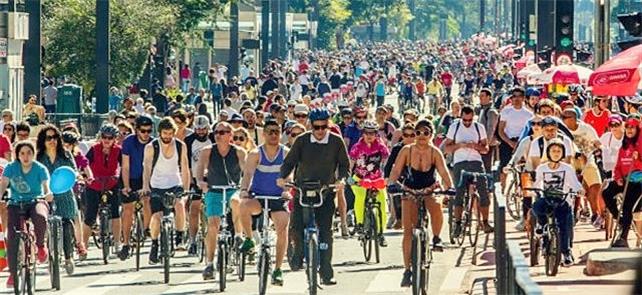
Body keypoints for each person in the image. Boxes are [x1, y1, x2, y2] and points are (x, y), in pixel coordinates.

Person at [278, 108, 349, 285]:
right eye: (316, 127)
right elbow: (289, 162)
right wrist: (282, 177)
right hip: (303, 189)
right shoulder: (302, 141)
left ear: (328, 124)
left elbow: (344, 165)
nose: (319, 131)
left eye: (323, 127)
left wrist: (341, 180)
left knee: (325, 231)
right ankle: (299, 253)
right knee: (296, 225)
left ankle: (326, 271)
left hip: (325, 191)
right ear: (310, 125)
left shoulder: (336, 141)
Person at [388, 119, 453, 287]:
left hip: (429, 188)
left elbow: (443, 171)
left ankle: (437, 238)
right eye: (418, 133)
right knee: (408, 232)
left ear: (431, 135)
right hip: (409, 190)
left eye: (426, 133)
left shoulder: (435, 152)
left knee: (436, 205)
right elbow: (396, 169)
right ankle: (407, 269)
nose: (421, 136)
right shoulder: (406, 150)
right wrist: (391, 184)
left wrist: (450, 187)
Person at [238, 119, 291, 286]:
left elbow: (290, 175)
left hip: (278, 198)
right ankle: (249, 239)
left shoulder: (286, 153)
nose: (274, 135)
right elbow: (247, 175)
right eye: (270, 132)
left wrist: (286, 189)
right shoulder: (255, 153)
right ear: (264, 134)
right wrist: (244, 190)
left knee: (282, 228)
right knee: (243, 206)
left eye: (277, 131)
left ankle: (277, 269)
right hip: (259, 196)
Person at [195, 121, 246, 280]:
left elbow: (247, 172)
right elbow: (200, 170)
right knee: (212, 225)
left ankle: (238, 234)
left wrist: (246, 188)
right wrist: (200, 182)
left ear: (230, 135)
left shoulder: (239, 152)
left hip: (233, 189)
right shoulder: (207, 151)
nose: (218, 135)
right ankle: (209, 264)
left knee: (237, 202)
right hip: (214, 190)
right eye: (216, 132)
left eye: (222, 132)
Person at [0, 141, 53, 288]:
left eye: (29, 153)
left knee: (40, 217)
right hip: (16, 202)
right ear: (17, 155)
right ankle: (13, 273)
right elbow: (3, 184)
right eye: (22, 153)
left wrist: (48, 193)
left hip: (36, 200)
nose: (25, 156)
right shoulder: (11, 168)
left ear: (33, 154)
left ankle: (41, 246)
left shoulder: (40, 168)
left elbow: (45, 186)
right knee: (12, 236)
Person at [141, 117, 190, 264]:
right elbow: (147, 168)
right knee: (156, 216)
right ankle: (155, 244)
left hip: (175, 183)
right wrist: (145, 186)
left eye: (170, 133)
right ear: (160, 133)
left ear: (174, 133)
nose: (167, 136)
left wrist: (186, 190)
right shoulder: (151, 147)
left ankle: (180, 236)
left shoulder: (181, 146)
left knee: (180, 205)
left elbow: (185, 168)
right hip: (157, 185)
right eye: (164, 133)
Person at [531, 139, 582, 266]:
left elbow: (575, 184)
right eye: (553, 151)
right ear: (548, 152)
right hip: (547, 198)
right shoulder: (541, 168)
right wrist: (532, 189)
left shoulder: (568, 168)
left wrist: (579, 190)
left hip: (562, 200)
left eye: (559, 151)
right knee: (537, 206)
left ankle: (566, 253)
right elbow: (536, 183)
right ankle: (542, 227)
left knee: (564, 226)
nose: (556, 153)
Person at [36, 125, 78, 274]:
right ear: (43, 140)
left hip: (65, 194)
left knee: (66, 223)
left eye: (54, 137)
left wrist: (78, 178)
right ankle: (48, 252)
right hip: (46, 196)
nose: (52, 141)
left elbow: (73, 171)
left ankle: (68, 257)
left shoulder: (65, 155)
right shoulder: (39, 158)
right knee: (44, 223)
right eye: (48, 138)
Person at [444, 105, 493, 234]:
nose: (467, 123)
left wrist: (475, 146)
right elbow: (447, 148)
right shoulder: (454, 127)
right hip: (460, 162)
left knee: (484, 190)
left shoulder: (479, 127)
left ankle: (486, 222)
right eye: (464, 120)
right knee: (459, 192)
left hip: (476, 161)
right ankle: (458, 223)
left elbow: (486, 148)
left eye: (469, 120)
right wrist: (459, 145)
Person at [82, 124, 123, 258]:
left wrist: (122, 180)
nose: (106, 140)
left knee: (116, 213)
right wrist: (86, 177)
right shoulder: (94, 149)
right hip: (94, 184)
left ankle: (117, 242)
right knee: (89, 216)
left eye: (110, 138)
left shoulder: (118, 151)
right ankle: (84, 246)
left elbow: (124, 166)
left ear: (115, 139)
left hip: (111, 183)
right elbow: (85, 164)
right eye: (104, 137)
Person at [602, 115, 642, 248]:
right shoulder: (623, 147)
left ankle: (623, 237)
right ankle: (618, 219)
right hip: (625, 180)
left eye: (633, 127)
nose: (630, 130)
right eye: (628, 127)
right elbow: (618, 167)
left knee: (627, 206)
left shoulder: (640, 144)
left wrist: (639, 157)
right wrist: (618, 178)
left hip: (638, 182)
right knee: (607, 192)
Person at [118, 115, 154, 261]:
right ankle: (125, 243)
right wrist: (126, 186)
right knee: (128, 209)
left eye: (149, 131)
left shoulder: (153, 143)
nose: (146, 134)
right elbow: (125, 166)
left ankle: (146, 229)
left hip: (147, 177)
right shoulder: (128, 142)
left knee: (147, 199)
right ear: (137, 130)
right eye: (143, 131)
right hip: (131, 177)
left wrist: (148, 185)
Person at [349, 121, 390, 246]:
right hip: (360, 178)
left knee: (382, 202)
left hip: (376, 179)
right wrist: (348, 176)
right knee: (360, 197)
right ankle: (360, 224)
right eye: (366, 132)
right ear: (363, 133)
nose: (369, 135)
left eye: (372, 133)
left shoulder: (380, 145)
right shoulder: (357, 146)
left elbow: (387, 160)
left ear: (376, 134)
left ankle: (381, 233)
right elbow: (351, 162)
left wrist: (388, 176)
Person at [183, 115, 215, 255]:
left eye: (203, 129)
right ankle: (193, 240)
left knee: (213, 209)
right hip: (195, 177)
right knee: (194, 208)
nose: (201, 132)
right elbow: (186, 162)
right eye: (198, 129)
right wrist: (189, 180)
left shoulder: (213, 139)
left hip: (212, 178)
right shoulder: (189, 141)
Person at [61, 131, 92, 259]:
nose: (66, 147)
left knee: (76, 214)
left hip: (73, 189)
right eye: (64, 144)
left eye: (69, 144)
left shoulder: (78, 156)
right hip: (57, 190)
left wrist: (89, 177)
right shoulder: (57, 156)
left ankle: (80, 243)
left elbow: (86, 167)